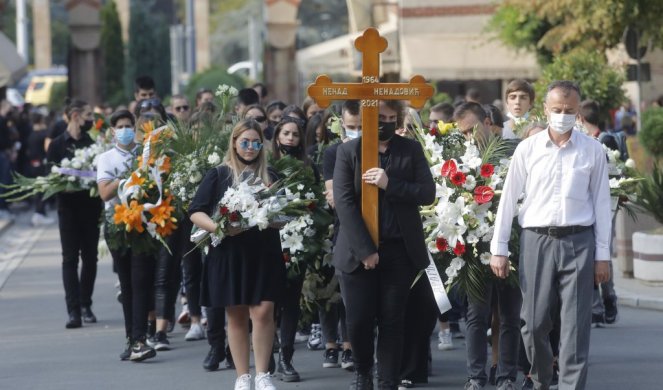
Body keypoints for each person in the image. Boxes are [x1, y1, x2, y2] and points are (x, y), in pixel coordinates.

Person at [490, 80, 612, 390]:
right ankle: (543, 378)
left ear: (579, 111)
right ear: (545, 109)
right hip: (536, 240)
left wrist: (602, 256)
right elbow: (508, 198)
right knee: (533, 324)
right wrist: (499, 247)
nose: (562, 115)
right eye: (556, 110)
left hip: (579, 241)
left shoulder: (593, 150)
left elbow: (600, 204)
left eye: (569, 110)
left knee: (575, 325)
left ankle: (571, 385)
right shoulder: (528, 149)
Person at [333, 99, 435, 390]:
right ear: (367, 118)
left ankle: (387, 381)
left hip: (399, 250)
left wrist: (391, 184)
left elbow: (427, 193)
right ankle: (363, 372)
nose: (385, 122)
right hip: (357, 253)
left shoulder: (410, 150)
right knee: (360, 321)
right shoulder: (348, 151)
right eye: (380, 117)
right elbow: (344, 203)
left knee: (392, 321)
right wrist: (365, 250)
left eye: (391, 117)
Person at [190, 119, 285, 390]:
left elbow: (284, 214)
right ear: (234, 142)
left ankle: (263, 374)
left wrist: (275, 216)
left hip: (264, 252)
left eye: (256, 142)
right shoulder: (219, 174)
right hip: (230, 253)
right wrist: (220, 227)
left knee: (265, 310)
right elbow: (196, 211)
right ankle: (242, 377)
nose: (251, 147)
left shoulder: (271, 177)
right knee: (236, 314)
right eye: (245, 142)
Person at [454, 104, 522, 390]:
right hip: (475, 247)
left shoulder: (515, 151)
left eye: (472, 129)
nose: (469, 137)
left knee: (509, 315)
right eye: (463, 133)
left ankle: (506, 376)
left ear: (486, 122)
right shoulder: (458, 159)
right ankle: (476, 377)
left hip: (513, 243)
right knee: (476, 316)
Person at [97, 109, 157, 361]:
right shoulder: (106, 158)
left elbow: (156, 186)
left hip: (143, 224)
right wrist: (129, 177)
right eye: (120, 126)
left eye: (128, 125)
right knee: (128, 284)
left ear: (135, 127)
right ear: (113, 131)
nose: (124, 130)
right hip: (118, 225)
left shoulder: (145, 154)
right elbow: (104, 193)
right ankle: (132, 338)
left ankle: (141, 339)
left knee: (142, 281)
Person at [46, 98, 103, 329]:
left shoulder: (92, 144)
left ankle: (85, 303)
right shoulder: (57, 145)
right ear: (76, 115)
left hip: (90, 209)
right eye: (89, 115)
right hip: (67, 210)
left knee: (90, 258)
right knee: (69, 259)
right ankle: (73, 311)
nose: (92, 120)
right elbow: (49, 176)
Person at [270, 115, 312, 382]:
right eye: (286, 133)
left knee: (291, 303)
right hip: (270, 241)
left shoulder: (308, 168)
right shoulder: (268, 167)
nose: (290, 139)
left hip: (299, 240)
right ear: (277, 136)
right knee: (268, 303)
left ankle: (285, 358)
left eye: (295, 134)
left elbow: (314, 201)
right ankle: (266, 356)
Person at [320, 100, 361, 372]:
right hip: (345, 231)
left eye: (362, 127)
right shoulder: (335, 153)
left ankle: (356, 348)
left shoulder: (383, 150)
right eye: (351, 127)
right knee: (345, 294)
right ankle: (345, 346)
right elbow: (334, 198)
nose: (356, 132)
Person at [578, 100, 619, 327]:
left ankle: (608, 296)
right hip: (584, 208)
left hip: (604, 205)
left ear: (580, 119)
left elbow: (616, 173)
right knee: (591, 254)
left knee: (602, 253)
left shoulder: (604, 141)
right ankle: (596, 307)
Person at [25, 110, 55, 226]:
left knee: (39, 189)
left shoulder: (31, 134)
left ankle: (40, 213)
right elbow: (48, 148)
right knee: (42, 190)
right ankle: (39, 213)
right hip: (41, 165)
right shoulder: (43, 134)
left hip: (33, 164)